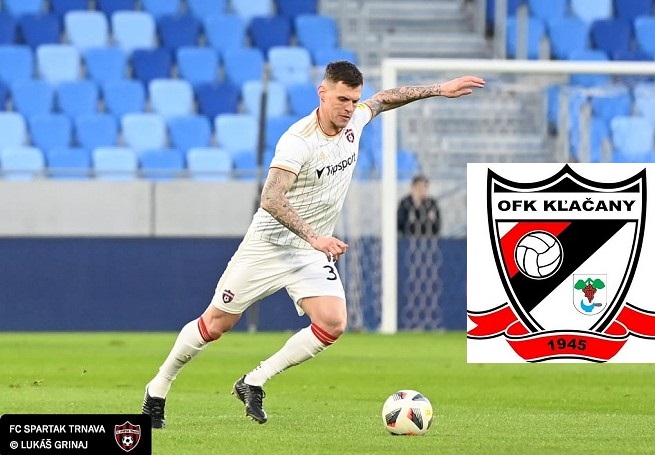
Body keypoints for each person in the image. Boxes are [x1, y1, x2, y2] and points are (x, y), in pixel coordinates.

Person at [141, 61, 484, 427]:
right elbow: (270, 198)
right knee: (215, 324)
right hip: (269, 246)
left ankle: (254, 380)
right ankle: (158, 388)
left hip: (309, 251)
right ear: (322, 93)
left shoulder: (354, 122)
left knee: (333, 322)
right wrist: (315, 236)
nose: (349, 108)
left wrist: (439, 89)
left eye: (353, 100)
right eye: (341, 100)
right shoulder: (298, 141)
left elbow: (384, 99)